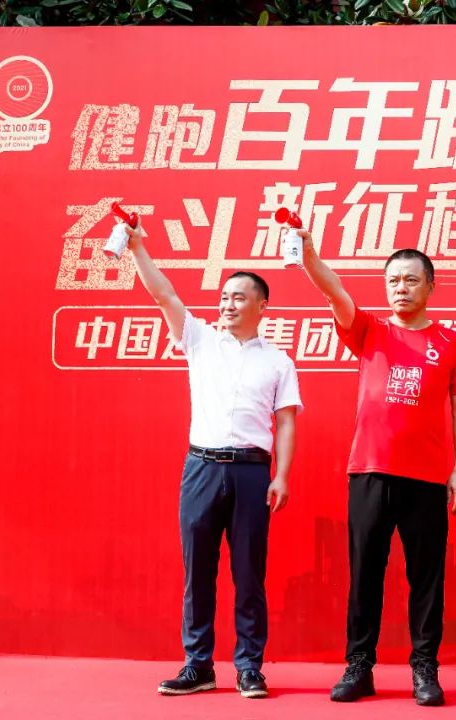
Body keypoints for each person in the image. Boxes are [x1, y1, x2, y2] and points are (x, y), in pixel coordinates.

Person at [297, 232, 456, 707]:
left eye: (411, 280)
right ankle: (359, 666)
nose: (401, 288)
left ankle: (425, 668)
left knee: (427, 578)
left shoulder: (449, 342)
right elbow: (334, 290)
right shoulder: (369, 331)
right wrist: (310, 255)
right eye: (394, 280)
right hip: (370, 471)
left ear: (430, 286)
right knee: (365, 573)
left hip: (426, 478)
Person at [124, 220, 302, 699]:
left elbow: (286, 422)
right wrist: (137, 247)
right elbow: (163, 294)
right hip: (201, 468)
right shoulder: (200, 340)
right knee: (198, 572)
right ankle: (198, 665)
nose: (228, 304)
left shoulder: (278, 361)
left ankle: (249, 667)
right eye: (224, 297)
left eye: (239, 298)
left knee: (249, 575)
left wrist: (282, 475)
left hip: (251, 472)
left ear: (262, 306)